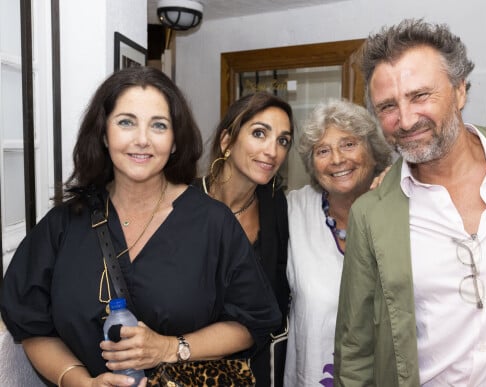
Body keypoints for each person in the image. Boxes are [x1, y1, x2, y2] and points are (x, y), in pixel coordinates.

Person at [334, 18, 486, 386]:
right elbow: (355, 351)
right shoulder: (371, 214)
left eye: (420, 96)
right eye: (387, 106)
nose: (404, 119)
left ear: (461, 90)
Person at [0, 66, 281, 387]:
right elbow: (33, 326)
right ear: (104, 134)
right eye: (126, 122)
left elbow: (252, 322)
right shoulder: (63, 225)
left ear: (175, 141)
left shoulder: (213, 223)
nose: (142, 139)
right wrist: (80, 382)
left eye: (159, 125)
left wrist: (170, 347)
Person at [284, 99, 391, 386]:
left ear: (373, 151)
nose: (337, 160)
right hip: (311, 374)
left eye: (348, 144)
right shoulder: (293, 210)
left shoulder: (402, 207)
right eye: (323, 150)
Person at [193, 91, 294, 387]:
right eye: (260, 133)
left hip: (260, 368)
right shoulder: (184, 206)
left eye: (283, 140)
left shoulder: (275, 204)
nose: (272, 150)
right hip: (194, 370)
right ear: (227, 140)